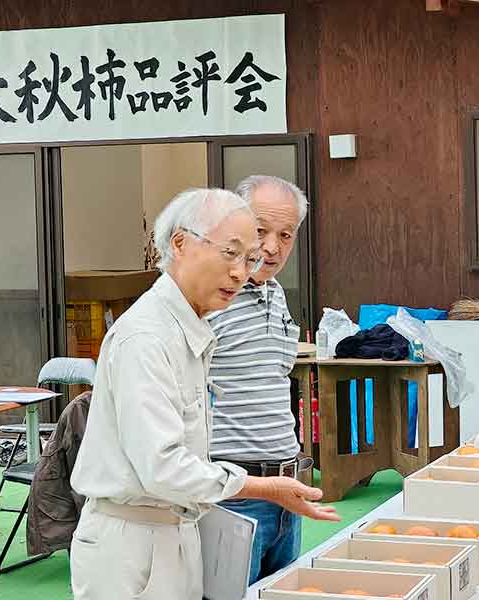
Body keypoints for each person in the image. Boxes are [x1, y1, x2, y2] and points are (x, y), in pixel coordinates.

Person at [70, 188, 338, 600]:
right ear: (180, 243)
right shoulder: (147, 337)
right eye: (230, 253)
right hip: (135, 541)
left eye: (249, 260)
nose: (241, 272)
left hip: (180, 526)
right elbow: (162, 467)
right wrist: (262, 487)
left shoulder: (190, 324)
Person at [206, 175, 310, 584]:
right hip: (234, 492)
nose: (272, 246)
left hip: (288, 487)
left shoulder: (275, 291)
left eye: (285, 235)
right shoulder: (210, 294)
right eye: (261, 230)